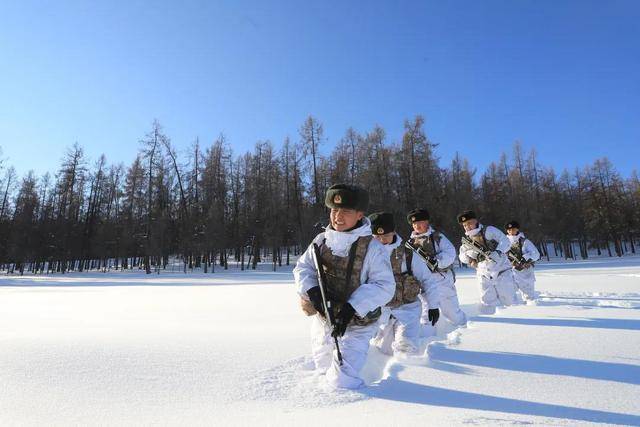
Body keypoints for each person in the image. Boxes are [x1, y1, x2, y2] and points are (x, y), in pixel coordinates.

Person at [294, 184, 395, 389]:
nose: (338, 216)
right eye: (334, 210)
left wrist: (351, 308)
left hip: (358, 325)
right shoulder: (321, 240)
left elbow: (385, 286)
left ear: (359, 215)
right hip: (324, 322)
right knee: (323, 371)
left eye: (346, 211)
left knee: (342, 381)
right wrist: (314, 293)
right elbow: (303, 268)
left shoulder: (373, 247)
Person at [368, 212, 439, 356]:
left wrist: (433, 306)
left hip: (408, 309)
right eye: (377, 236)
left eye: (386, 235)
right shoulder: (366, 254)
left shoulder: (409, 254)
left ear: (393, 232)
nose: (382, 240)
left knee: (406, 348)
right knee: (382, 351)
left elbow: (427, 280)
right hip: (381, 313)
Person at [407, 208, 467, 331]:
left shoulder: (437, 237)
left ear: (427, 222)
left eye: (420, 222)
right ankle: (427, 338)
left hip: (442, 279)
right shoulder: (410, 243)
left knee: (452, 312)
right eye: (414, 224)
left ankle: (464, 330)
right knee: (426, 312)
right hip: (423, 283)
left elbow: (450, 253)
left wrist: (437, 261)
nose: (417, 226)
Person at [457, 210, 517, 314]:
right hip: (483, 273)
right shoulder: (467, 240)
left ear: (476, 221)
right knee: (487, 302)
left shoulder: (489, 230)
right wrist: (468, 255)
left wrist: (498, 252)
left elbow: (505, 241)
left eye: (469, 223)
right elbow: (461, 256)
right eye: (464, 225)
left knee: (508, 299)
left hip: (502, 270)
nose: (467, 227)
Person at [505, 220, 541, 302]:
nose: (511, 231)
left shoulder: (525, 242)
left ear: (517, 229)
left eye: (513, 229)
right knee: (510, 299)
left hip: (525, 273)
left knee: (529, 298)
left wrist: (525, 257)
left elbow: (536, 255)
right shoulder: (504, 242)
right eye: (509, 230)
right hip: (510, 273)